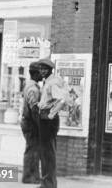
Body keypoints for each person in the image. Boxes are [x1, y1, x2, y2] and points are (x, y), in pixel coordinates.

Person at [36, 58, 70, 188]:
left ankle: (48, 184)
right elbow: (49, 100)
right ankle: (46, 183)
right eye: (41, 69)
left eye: (45, 69)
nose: (42, 71)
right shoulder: (48, 81)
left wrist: (50, 115)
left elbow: (61, 100)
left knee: (48, 153)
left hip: (48, 121)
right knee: (45, 153)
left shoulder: (53, 81)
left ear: (50, 70)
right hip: (45, 118)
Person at [20, 62, 42, 184]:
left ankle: (29, 176)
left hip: (27, 121)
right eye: (40, 72)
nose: (42, 75)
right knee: (33, 149)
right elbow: (34, 109)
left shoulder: (29, 85)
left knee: (31, 148)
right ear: (35, 73)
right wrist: (39, 124)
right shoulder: (33, 89)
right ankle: (30, 177)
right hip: (31, 123)